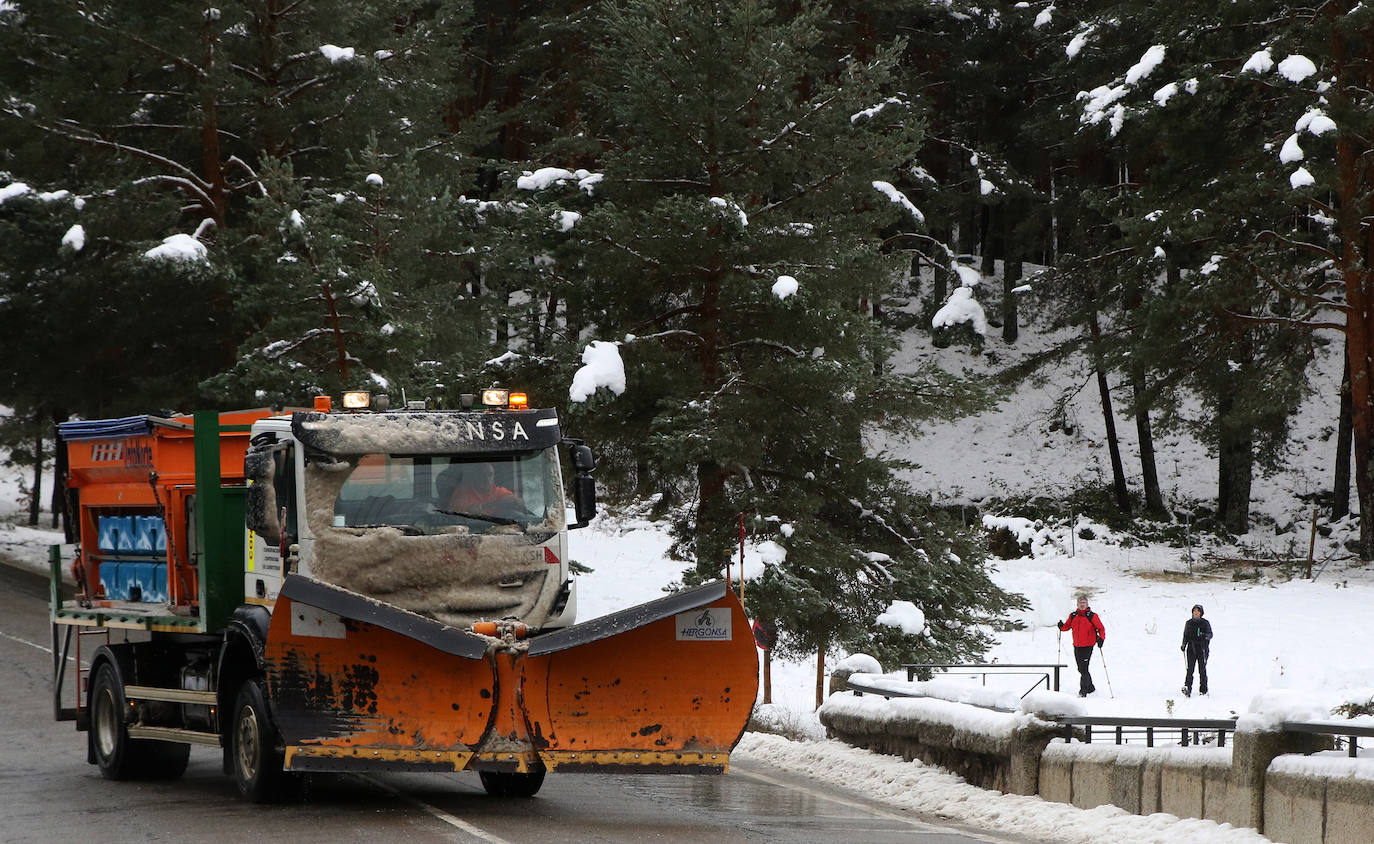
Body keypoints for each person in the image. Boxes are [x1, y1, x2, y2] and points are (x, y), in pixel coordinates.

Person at [1058, 596, 1106, 697]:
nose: (1082, 604)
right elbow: (1066, 627)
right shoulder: (1073, 615)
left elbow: (1101, 628)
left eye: (1084, 602)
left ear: (1087, 604)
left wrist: (1101, 639)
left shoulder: (1092, 616)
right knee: (1080, 668)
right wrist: (1061, 626)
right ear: (1077, 604)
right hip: (1077, 645)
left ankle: (1083, 691)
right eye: (1080, 602)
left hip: (1088, 645)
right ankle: (1091, 687)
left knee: (1084, 668)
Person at [443, 462, 522, 514]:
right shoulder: (462, 493)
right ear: (475, 477)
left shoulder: (499, 492)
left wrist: (513, 501)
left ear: (493, 477)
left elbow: (518, 503)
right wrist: (471, 509)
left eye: (489, 475)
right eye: (482, 475)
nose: (487, 479)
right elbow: (455, 514)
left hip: (499, 531)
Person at [1181, 604, 1213, 697]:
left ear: (1201, 613)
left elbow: (1210, 634)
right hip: (1191, 647)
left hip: (1202, 648)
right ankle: (1187, 687)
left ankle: (1203, 690)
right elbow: (1185, 635)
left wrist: (1204, 636)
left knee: (1202, 670)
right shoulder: (1189, 623)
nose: (1196, 613)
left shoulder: (1205, 623)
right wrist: (1183, 645)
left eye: (1198, 611)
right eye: (1194, 611)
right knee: (1190, 669)